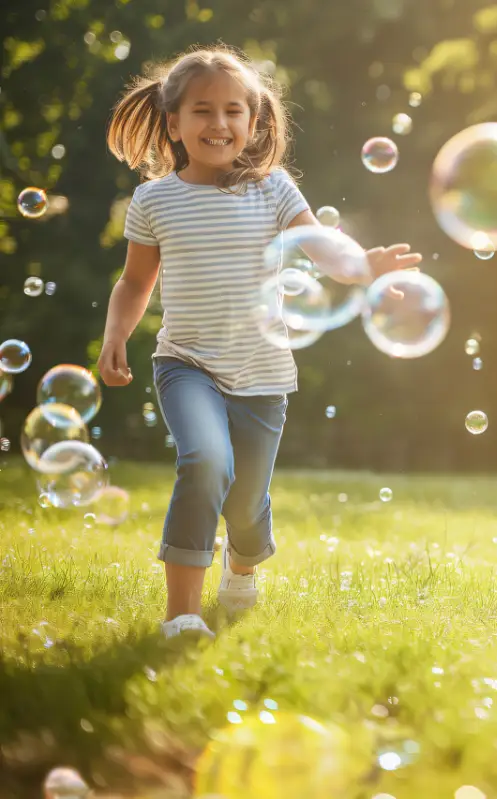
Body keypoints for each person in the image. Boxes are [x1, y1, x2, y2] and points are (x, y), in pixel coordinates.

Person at [99, 46, 421, 640]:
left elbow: (324, 248)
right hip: (186, 363)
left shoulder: (272, 190)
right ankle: (183, 615)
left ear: (252, 122)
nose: (218, 124)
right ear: (174, 123)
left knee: (246, 503)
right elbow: (135, 281)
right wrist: (116, 332)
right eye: (201, 111)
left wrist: (365, 264)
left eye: (232, 111)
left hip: (263, 373)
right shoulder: (154, 201)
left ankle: (242, 565)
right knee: (204, 463)